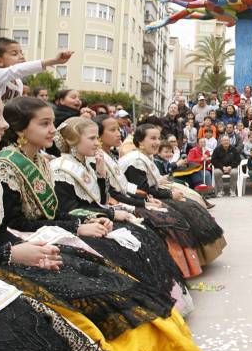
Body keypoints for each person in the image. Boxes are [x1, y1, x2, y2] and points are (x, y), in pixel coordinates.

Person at [0, 96, 201, 351]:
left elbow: (74, 206)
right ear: (20, 130)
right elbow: (15, 223)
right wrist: (81, 224)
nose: (52, 130)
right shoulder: (6, 165)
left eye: (53, 122)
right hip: (21, 241)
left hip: (42, 232)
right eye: (45, 123)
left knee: (134, 242)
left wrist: (90, 215)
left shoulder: (39, 159)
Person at [0, 85, 115, 351]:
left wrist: (26, 252)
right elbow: (14, 226)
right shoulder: (4, 165)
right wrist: (13, 253)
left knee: (88, 273)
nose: (2, 124)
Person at [50, 117, 189, 313]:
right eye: (92, 138)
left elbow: (98, 198)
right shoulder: (62, 168)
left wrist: (100, 177)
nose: (97, 143)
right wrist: (112, 213)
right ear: (73, 140)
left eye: (97, 138)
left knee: (145, 235)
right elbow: (72, 208)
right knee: (132, 241)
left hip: (100, 215)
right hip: (83, 222)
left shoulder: (85, 162)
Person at [93, 115, 202, 280]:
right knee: (166, 218)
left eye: (118, 129)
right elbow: (113, 192)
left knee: (182, 204)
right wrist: (143, 201)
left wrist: (145, 197)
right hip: (114, 205)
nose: (118, 133)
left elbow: (126, 186)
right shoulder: (102, 158)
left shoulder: (111, 155)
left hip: (127, 198)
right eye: (112, 130)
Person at [120, 124, 226, 267]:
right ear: (140, 142)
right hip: (138, 199)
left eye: (158, 138)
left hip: (148, 194)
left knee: (190, 203)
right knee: (185, 209)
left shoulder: (144, 156)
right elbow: (144, 189)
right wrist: (170, 194)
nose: (157, 142)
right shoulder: (136, 160)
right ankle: (187, 264)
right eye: (152, 138)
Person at [0, 37, 73, 101]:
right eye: (14, 54)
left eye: (22, 53)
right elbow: (16, 70)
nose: (21, 57)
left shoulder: (18, 82)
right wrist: (53, 61)